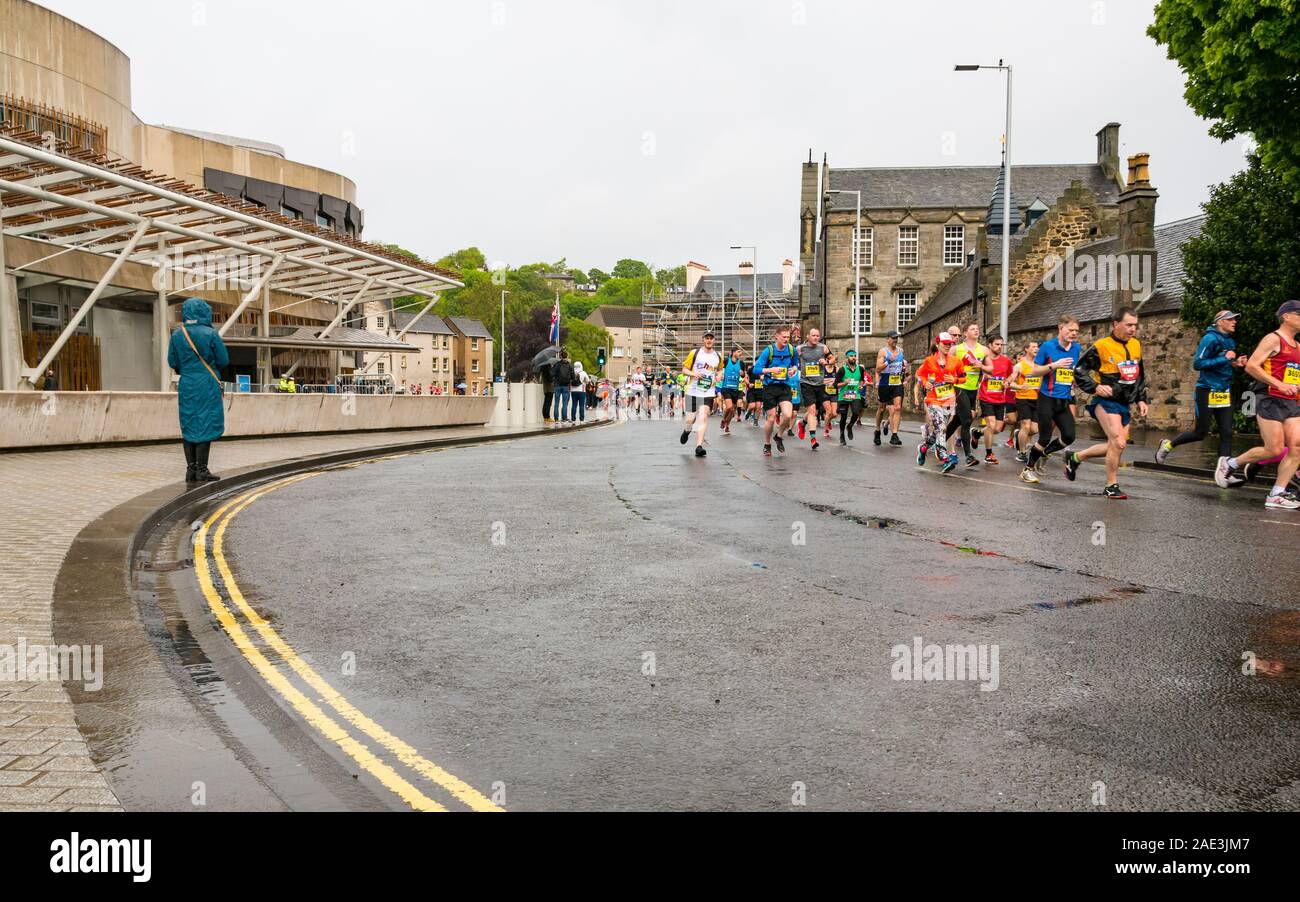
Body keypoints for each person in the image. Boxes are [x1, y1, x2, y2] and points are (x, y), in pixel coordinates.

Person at [1216, 300, 1300, 508]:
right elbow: (1252, 366)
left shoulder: (1298, 346)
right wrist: (1279, 384)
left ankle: (1277, 493)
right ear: (1286, 316)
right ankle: (1230, 464)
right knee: (1273, 449)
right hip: (1270, 398)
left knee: (1297, 447)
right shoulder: (1273, 339)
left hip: (1291, 402)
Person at [1065, 307, 1149, 499]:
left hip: (1124, 402)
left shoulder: (1136, 345)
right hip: (1105, 401)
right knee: (1118, 442)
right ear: (1115, 324)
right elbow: (1079, 370)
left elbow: (1139, 375)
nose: (1132, 329)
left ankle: (1076, 457)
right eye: (1128, 325)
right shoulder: (1102, 346)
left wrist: (1141, 399)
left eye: (1134, 325)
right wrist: (1095, 387)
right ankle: (1111, 485)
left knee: (1117, 444)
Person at [1156, 310, 1246, 474]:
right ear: (1220, 322)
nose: (1234, 322)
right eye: (1230, 319)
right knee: (1201, 432)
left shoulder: (1230, 341)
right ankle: (1168, 445)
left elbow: (1223, 363)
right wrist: (1225, 358)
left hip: (1223, 391)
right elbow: (1198, 364)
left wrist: (1235, 363)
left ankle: (1224, 473)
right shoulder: (1209, 339)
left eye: (1235, 319)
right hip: (1207, 390)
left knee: (1226, 431)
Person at [167, 298, 229, 484]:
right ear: (205, 312)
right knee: (205, 422)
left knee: (189, 422)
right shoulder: (211, 333)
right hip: (206, 383)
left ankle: (191, 470)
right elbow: (224, 360)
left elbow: (172, 362)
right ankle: (202, 470)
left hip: (187, 383)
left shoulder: (178, 334)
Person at [1020, 315, 1082, 484]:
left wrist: (1075, 379)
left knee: (1069, 436)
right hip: (1047, 398)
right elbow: (1034, 371)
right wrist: (1054, 365)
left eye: (1076, 330)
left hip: (1064, 399)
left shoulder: (1076, 348)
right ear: (1060, 328)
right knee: (1044, 437)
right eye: (1070, 330)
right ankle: (1028, 469)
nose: (1074, 333)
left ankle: (1045, 453)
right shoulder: (1048, 347)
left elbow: (1072, 370)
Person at [916, 333, 964, 474]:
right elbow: (920, 374)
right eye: (945, 344)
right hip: (933, 400)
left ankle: (924, 448)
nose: (948, 346)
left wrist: (954, 380)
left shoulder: (956, 361)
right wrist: (925, 383)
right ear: (938, 345)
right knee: (942, 428)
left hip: (949, 400)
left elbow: (964, 378)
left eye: (950, 344)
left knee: (939, 430)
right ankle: (944, 457)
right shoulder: (929, 361)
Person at [945, 321, 990, 467]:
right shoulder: (956, 349)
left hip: (972, 389)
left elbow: (991, 369)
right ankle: (968, 456)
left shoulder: (983, 350)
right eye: (973, 329)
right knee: (967, 421)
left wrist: (981, 366)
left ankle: (934, 442)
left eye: (977, 329)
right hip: (959, 387)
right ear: (966, 333)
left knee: (956, 422)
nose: (976, 331)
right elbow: (944, 365)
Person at [753, 326, 799, 457]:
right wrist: (771, 370)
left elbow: (795, 363)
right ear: (777, 336)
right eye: (784, 337)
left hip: (784, 386)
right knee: (772, 418)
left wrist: (793, 369)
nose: (786, 339)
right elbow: (756, 369)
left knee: (788, 415)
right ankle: (767, 444)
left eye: (788, 337)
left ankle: (778, 436)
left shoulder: (791, 350)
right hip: (770, 387)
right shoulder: (769, 351)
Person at [680, 331, 722, 457]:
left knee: (703, 416)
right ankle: (687, 431)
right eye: (707, 338)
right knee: (690, 420)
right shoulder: (695, 353)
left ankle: (699, 446)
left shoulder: (718, 356)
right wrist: (694, 374)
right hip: (692, 390)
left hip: (708, 391)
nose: (709, 340)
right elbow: (684, 369)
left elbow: (720, 370)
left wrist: (719, 376)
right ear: (703, 339)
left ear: (714, 340)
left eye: (711, 338)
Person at [976, 336, 1015, 464]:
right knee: (991, 425)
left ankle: (977, 434)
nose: (999, 347)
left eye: (1001, 344)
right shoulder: (983, 360)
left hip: (1000, 398)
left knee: (997, 429)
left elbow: (1012, 374)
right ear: (989, 345)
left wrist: (1007, 382)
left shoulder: (1006, 361)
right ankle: (988, 454)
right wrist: (983, 375)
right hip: (986, 397)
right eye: (997, 344)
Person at [796, 328, 830, 451]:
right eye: (813, 335)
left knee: (815, 412)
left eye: (817, 335)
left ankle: (802, 423)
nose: (816, 337)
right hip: (806, 383)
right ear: (808, 336)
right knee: (812, 410)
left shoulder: (823, 348)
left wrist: (826, 361)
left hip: (819, 384)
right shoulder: (800, 349)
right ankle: (813, 438)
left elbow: (832, 359)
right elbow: (792, 359)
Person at [1008, 342, 1041, 464]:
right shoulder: (1019, 366)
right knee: (1026, 425)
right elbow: (1009, 382)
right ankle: (1021, 453)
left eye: (1037, 347)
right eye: (1033, 347)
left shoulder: (1040, 365)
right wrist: (1020, 387)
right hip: (1022, 399)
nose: (1036, 349)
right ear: (1026, 349)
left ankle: (1019, 435)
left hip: (1037, 399)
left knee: (1034, 429)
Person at [875, 331, 907, 446]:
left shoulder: (901, 352)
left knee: (897, 408)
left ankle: (894, 435)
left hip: (897, 382)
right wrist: (889, 361)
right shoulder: (883, 352)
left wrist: (905, 375)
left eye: (896, 338)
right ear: (887, 339)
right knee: (882, 409)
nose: (895, 340)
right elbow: (878, 369)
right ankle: (877, 430)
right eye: (893, 338)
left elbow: (903, 367)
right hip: (885, 383)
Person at [835, 349, 867, 445]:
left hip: (855, 395)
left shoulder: (860, 369)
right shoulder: (842, 370)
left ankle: (850, 426)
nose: (853, 357)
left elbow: (861, 380)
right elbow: (835, 385)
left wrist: (861, 385)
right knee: (843, 417)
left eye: (854, 356)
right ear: (847, 358)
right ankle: (842, 435)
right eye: (851, 356)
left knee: (856, 412)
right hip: (843, 396)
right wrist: (844, 383)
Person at [718, 347, 746, 435]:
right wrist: (720, 375)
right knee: (730, 407)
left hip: (736, 389)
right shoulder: (726, 361)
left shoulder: (741, 363)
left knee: (733, 410)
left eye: (741, 352)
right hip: (726, 388)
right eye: (738, 352)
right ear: (733, 352)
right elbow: (718, 369)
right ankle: (723, 419)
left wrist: (742, 374)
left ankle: (727, 425)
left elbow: (743, 375)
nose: (740, 353)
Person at [552, 351, 574, 422]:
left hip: (557, 386)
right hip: (566, 386)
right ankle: (564, 418)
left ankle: (556, 418)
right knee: (565, 403)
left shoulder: (557, 364)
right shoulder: (570, 365)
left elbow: (552, 374)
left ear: (560, 357)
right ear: (567, 357)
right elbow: (573, 377)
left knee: (556, 403)